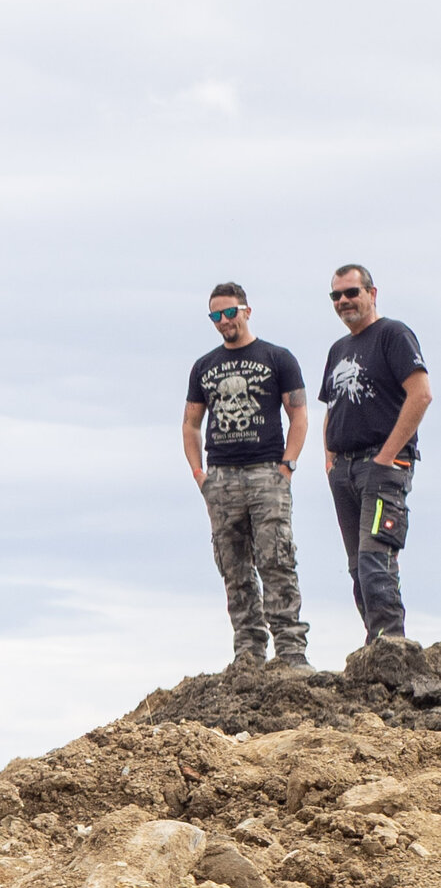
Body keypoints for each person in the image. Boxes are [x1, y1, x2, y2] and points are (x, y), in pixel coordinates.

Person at [183, 282, 309, 669]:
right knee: (233, 567)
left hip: (266, 473)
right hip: (221, 478)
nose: (224, 321)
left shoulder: (277, 358)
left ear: (246, 311)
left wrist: (287, 466)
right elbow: (191, 423)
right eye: (216, 316)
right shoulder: (204, 366)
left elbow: (299, 414)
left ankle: (290, 651)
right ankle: (249, 652)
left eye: (230, 312)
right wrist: (200, 475)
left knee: (276, 559)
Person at [318, 263, 431, 649]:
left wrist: (386, 456)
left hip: (383, 466)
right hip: (344, 470)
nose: (344, 301)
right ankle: (374, 646)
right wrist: (330, 460)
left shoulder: (393, 335)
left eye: (352, 292)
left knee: (375, 559)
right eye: (336, 295)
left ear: (372, 293)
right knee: (357, 566)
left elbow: (421, 394)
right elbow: (331, 407)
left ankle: (390, 646)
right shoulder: (338, 349)